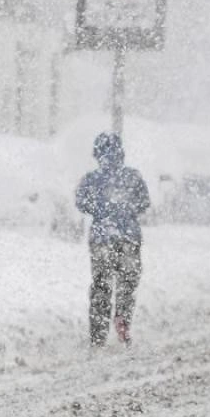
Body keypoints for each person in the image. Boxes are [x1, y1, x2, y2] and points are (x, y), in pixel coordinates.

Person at [75, 131, 151, 347]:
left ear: (97, 154)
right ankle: (122, 318)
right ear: (122, 153)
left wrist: (102, 211)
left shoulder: (90, 179)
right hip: (129, 237)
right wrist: (125, 212)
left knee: (101, 284)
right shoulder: (133, 177)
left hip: (101, 238)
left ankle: (98, 333)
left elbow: (81, 203)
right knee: (127, 282)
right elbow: (144, 202)